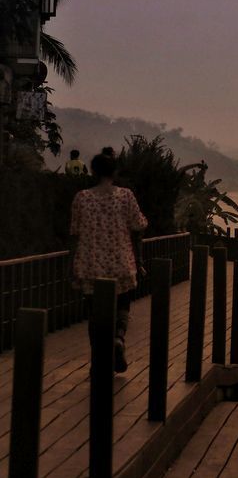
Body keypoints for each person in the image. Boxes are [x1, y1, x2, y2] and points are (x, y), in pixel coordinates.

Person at [69, 153, 147, 373]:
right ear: (115, 172)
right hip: (120, 263)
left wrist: (71, 264)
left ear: (92, 171)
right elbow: (139, 224)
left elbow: (74, 233)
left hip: (90, 264)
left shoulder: (81, 198)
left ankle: (97, 361)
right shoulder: (126, 196)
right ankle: (119, 338)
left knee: (94, 312)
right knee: (123, 304)